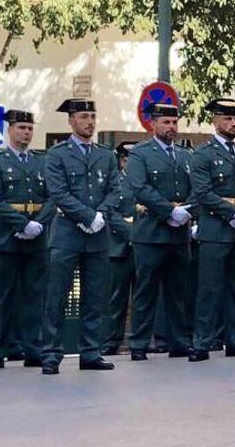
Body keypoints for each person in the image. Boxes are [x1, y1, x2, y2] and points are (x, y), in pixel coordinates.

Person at [41, 99, 120, 375]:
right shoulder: (57, 154)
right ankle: (51, 354)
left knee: (95, 297)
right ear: (71, 121)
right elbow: (58, 192)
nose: (90, 122)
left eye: (92, 116)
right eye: (84, 117)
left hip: (97, 235)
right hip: (67, 234)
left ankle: (90, 351)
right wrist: (87, 217)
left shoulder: (105, 155)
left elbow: (114, 190)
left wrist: (100, 215)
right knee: (57, 297)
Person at [188, 99, 235, 361]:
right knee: (210, 287)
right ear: (215, 121)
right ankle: (203, 341)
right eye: (227, 119)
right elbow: (203, 192)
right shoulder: (203, 153)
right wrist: (233, 213)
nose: (233, 124)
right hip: (215, 230)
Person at [0, 109, 54, 369]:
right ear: (9, 129)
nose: (26, 132)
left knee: (34, 295)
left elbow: (52, 196)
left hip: (36, 237)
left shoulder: (40, 161)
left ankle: (33, 347)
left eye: (30, 128)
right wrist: (22, 224)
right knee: (2, 297)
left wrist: (37, 224)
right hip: (6, 239)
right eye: (21, 127)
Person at [123, 104, 194, 361]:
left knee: (177, 291)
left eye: (174, 123)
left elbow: (196, 186)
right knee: (146, 291)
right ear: (153, 124)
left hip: (178, 234)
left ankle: (178, 341)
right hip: (151, 234)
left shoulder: (185, 156)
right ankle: (140, 343)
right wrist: (169, 211)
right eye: (165, 123)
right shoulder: (141, 154)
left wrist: (186, 210)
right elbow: (140, 188)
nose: (171, 128)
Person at [101, 142, 139, 356]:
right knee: (116, 296)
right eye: (128, 159)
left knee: (142, 295)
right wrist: (130, 232)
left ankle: (138, 338)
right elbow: (111, 212)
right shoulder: (115, 181)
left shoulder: (141, 181)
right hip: (119, 245)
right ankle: (111, 339)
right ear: (122, 160)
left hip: (142, 244)